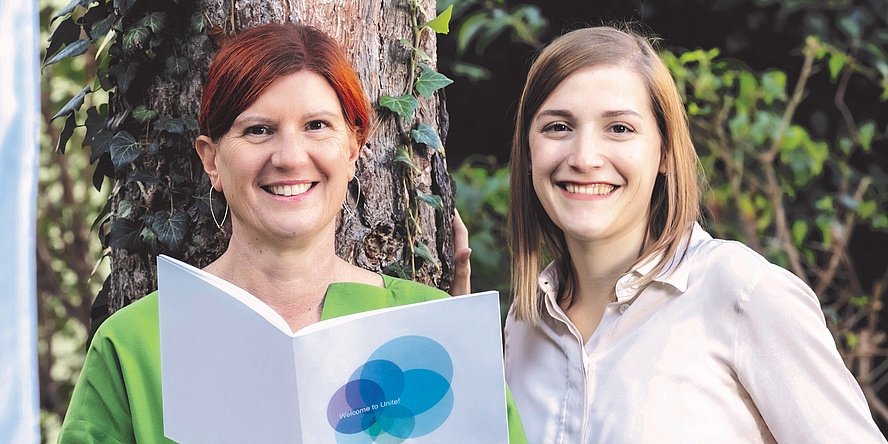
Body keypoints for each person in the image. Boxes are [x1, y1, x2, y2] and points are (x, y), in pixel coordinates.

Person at [58, 22, 525, 443]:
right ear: (210, 159)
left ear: (353, 149)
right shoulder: (134, 343)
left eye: (317, 126)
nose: (290, 156)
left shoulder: (436, 327)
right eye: (259, 130)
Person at [502, 25, 886, 443]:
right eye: (558, 127)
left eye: (619, 129)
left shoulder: (742, 293)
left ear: (665, 151)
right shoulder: (523, 326)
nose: (584, 158)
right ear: (527, 150)